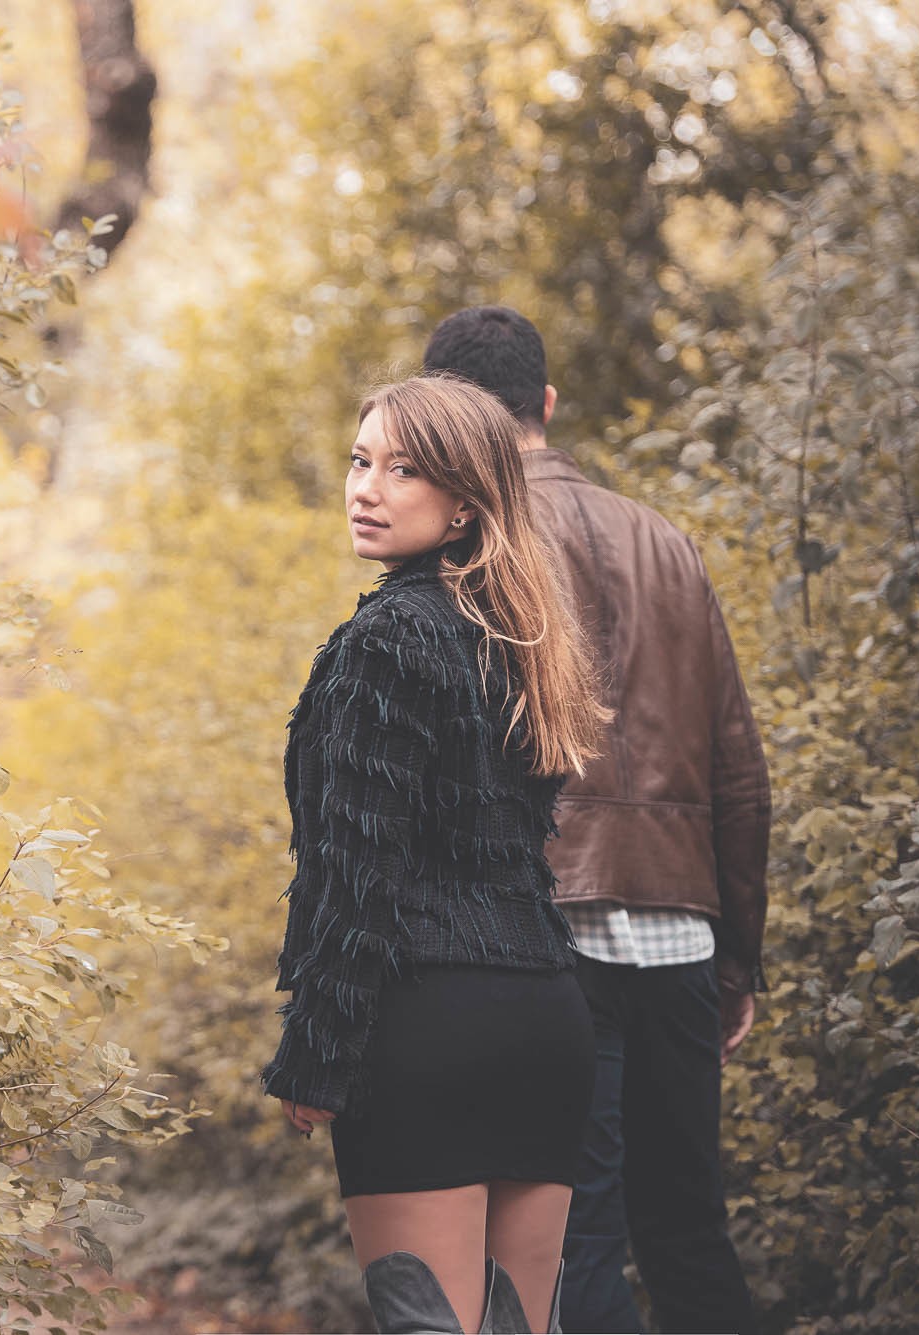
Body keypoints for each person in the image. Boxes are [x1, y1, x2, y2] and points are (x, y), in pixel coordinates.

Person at [422, 305, 770, 1335]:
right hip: (679, 937)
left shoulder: (469, 546)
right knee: (689, 1234)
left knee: (570, 1243)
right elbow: (740, 772)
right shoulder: (666, 542)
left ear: (444, 417)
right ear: (546, 401)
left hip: (544, 940)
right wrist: (737, 957)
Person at [261, 374, 611, 1335]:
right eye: (360, 460)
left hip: (428, 1030)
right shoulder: (521, 639)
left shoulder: (383, 641)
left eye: (403, 469)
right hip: (546, 1025)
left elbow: (358, 875)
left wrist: (314, 1055)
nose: (365, 488)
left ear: (465, 503)